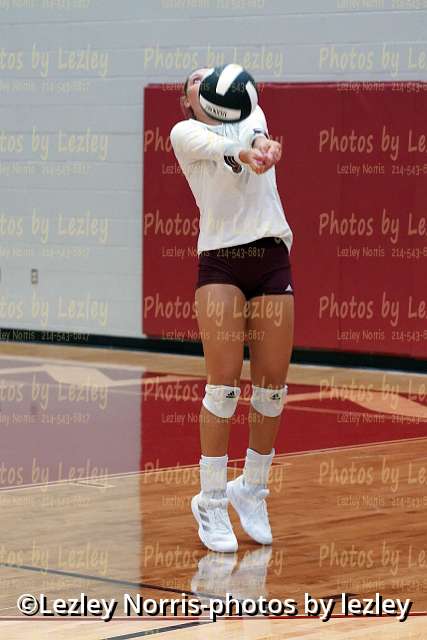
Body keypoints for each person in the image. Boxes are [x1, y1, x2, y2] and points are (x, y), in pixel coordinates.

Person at [170, 68, 294, 553]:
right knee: (223, 388)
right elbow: (221, 147)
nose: (205, 78)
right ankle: (211, 500)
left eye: (210, 72)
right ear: (189, 99)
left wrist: (265, 148)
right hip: (221, 259)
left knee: (272, 389)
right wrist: (245, 153)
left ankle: (252, 490)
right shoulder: (184, 132)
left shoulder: (251, 113)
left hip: (271, 254)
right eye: (194, 78)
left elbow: (255, 136)